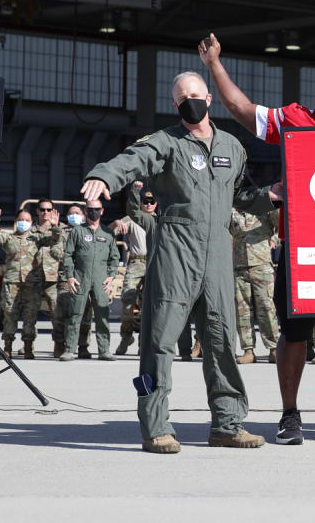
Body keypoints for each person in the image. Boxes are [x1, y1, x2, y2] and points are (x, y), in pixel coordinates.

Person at [82, 70, 275, 454]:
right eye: (182, 97)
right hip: (176, 247)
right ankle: (156, 427)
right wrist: (104, 176)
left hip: (219, 251)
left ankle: (228, 424)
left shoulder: (233, 147)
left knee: (221, 340)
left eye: (195, 94)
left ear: (208, 98)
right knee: (160, 341)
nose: (190, 100)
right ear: (176, 105)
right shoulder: (166, 142)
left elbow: (240, 195)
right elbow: (133, 160)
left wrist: (274, 196)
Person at [199, 32, 315, 445]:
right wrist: (215, 65)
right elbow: (241, 110)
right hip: (301, 250)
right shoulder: (296, 118)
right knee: (294, 335)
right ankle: (290, 414)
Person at [0, 202, 61, 359]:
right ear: (16, 221)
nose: (24, 222)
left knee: (30, 317)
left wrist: (55, 227)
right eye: (21, 219)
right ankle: (7, 347)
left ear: (31, 221)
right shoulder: (8, 237)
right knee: (9, 316)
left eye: (27, 220)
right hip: (12, 283)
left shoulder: (37, 238)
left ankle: (28, 347)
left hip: (31, 284)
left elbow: (54, 240)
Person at [59, 198, 119, 362]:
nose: (94, 212)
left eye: (97, 209)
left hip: (100, 280)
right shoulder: (78, 231)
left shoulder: (107, 233)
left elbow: (114, 257)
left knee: (102, 315)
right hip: (80, 278)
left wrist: (111, 276)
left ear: (102, 211)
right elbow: (68, 255)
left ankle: (104, 350)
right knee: (75, 315)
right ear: (85, 211)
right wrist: (70, 276)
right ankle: (70, 350)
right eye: (90, 209)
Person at [230, 206, 281, 365]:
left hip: (262, 265)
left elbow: (283, 225)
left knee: (267, 308)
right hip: (239, 266)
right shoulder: (231, 210)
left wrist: (274, 240)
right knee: (242, 310)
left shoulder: (265, 208)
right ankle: (248, 350)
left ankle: (274, 349)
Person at [112, 183, 157, 356]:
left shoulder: (159, 218)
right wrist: (116, 223)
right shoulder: (132, 219)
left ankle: (143, 343)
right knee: (127, 301)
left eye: (151, 201)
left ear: (156, 203)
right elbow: (112, 231)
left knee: (149, 306)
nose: (148, 204)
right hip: (136, 263)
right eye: (144, 201)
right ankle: (126, 336)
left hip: (153, 263)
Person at [27, 199, 71, 358]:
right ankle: (28, 345)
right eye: (42, 209)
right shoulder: (30, 230)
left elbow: (64, 247)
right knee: (30, 313)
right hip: (34, 276)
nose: (46, 212)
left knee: (57, 314)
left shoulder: (62, 229)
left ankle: (59, 344)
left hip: (53, 277)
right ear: (37, 211)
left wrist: (55, 226)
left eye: (49, 209)